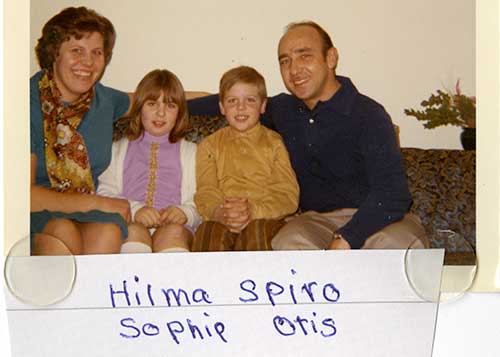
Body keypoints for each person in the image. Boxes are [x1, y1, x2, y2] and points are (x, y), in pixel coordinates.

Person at [188, 22, 428, 251]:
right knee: (288, 242)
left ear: (331, 58)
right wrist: (172, 102)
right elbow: (235, 101)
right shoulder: (284, 109)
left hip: (376, 221)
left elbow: (392, 194)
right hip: (316, 222)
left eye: (305, 55)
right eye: (285, 61)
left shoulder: (368, 114)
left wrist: (348, 237)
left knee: (400, 247)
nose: (294, 69)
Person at [31, 6, 132, 255]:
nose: (88, 62)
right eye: (77, 50)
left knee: (109, 230)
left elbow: (160, 97)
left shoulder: (104, 100)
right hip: (32, 215)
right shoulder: (24, 102)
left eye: (97, 52)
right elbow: (22, 195)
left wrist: (230, 100)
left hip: (83, 214)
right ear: (54, 53)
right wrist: (98, 203)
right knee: (64, 232)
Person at [192, 66, 299, 252]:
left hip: (264, 218)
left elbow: (287, 193)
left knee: (255, 233)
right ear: (222, 108)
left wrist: (254, 212)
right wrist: (219, 212)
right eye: (232, 101)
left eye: (250, 100)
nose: (241, 107)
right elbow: (206, 190)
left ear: (263, 105)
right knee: (208, 232)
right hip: (223, 216)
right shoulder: (210, 145)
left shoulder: (273, 142)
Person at [97, 69, 199, 254]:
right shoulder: (117, 150)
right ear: (139, 108)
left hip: (176, 228)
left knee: (173, 233)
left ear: (180, 113)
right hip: (131, 221)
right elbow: (105, 192)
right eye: (152, 103)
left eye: (170, 105)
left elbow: (202, 197)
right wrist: (135, 210)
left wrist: (186, 212)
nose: (161, 113)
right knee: (133, 231)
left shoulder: (191, 152)